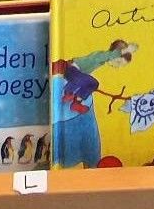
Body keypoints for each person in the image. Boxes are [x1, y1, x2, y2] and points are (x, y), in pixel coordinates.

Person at [50, 40, 136, 168]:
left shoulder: (96, 62)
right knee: (92, 83)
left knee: (90, 83)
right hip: (70, 74)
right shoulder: (96, 58)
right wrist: (124, 51)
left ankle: (75, 99)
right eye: (118, 62)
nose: (116, 66)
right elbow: (100, 58)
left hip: (77, 93)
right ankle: (71, 95)